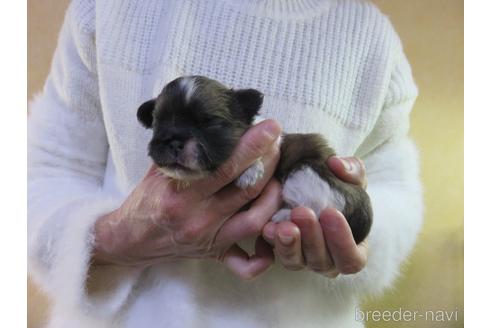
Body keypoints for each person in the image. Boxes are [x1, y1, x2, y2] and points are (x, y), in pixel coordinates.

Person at [27, 0, 423, 327]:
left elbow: (395, 191)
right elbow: (40, 171)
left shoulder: (370, 36)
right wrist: (115, 238)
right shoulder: (106, 9)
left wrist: (350, 233)